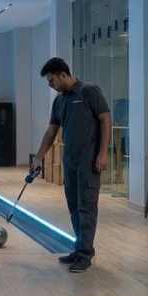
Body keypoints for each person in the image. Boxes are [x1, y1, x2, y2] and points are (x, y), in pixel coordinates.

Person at [30, 58, 111, 273]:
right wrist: (38, 158)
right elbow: (51, 132)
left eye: (51, 80)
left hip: (89, 161)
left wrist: (103, 153)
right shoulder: (60, 101)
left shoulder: (89, 91)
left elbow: (105, 119)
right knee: (74, 207)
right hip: (70, 160)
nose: (50, 84)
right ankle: (80, 248)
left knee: (86, 207)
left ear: (63, 75)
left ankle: (85, 254)